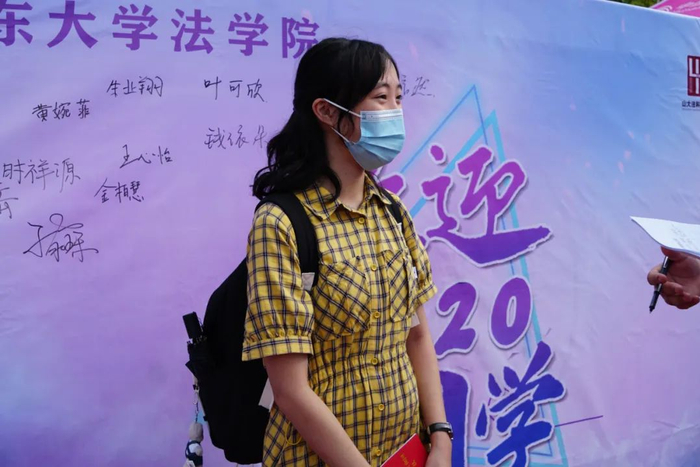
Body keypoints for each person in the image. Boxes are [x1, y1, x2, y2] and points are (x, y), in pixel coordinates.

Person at [241, 38, 452, 467]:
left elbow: (416, 335)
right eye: (380, 98)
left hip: (404, 453)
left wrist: (440, 436)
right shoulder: (280, 224)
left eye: (398, 98)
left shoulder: (392, 212)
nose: (395, 111)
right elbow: (290, 390)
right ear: (326, 112)